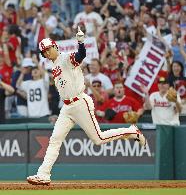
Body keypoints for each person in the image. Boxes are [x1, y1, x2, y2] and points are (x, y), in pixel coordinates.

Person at [27, 27, 146, 185]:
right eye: (44, 52)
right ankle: (43, 174)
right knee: (55, 139)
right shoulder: (54, 65)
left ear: (55, 46)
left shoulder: (65, 58)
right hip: (67, 107)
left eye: (48, 49)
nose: (47, 53)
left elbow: (80, 55)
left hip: (80, 102)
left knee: (98, 139)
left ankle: (131, 131)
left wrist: (81, 42)